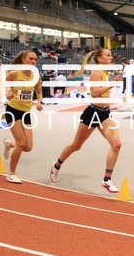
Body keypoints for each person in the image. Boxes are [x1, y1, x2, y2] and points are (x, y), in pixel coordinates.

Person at [49, 48, 122, 193]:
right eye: (108, 55)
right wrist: (112, 84)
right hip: (92, 113)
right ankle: (56, 165)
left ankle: (106, 180)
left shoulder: (106, 73)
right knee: (76, 145)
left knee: (117, 144)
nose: (111, 57)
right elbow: (94, 93)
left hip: (105, 114)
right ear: (99, 59)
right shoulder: (97, 71)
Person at [1, 51, 43, 184]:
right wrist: (6, 92)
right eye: (31, 59)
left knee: (28, 146)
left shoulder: (35, 76)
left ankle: (8, 144)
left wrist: (39, 102)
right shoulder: (14, 74)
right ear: (24, 60)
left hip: (26, 112)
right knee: (21, 143)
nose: (33, 61)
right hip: (12, 110)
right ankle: (11, 173)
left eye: (35, 59)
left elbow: (39, 91)